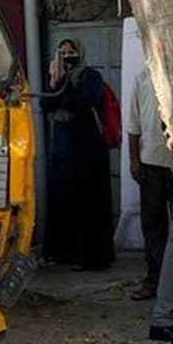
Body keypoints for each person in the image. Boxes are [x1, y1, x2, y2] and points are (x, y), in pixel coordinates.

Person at [42, 38, 115, 271]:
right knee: (63, 196)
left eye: (70, 52)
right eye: (62, 53)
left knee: (88, 199)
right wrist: (54, 82)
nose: (67, 57)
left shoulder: (90, 77)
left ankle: (91, 257)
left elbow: (82, 103)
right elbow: (46, 104)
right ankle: (63, 252)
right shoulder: (54, 76)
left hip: (87, 145)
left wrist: (64, 83)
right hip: (63, 145)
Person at [127, 62, 173, 302]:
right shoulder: (143, 76)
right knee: (153, 225)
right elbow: (133, 123)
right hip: (151, 163)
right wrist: (134, 160)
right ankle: (154, 280)